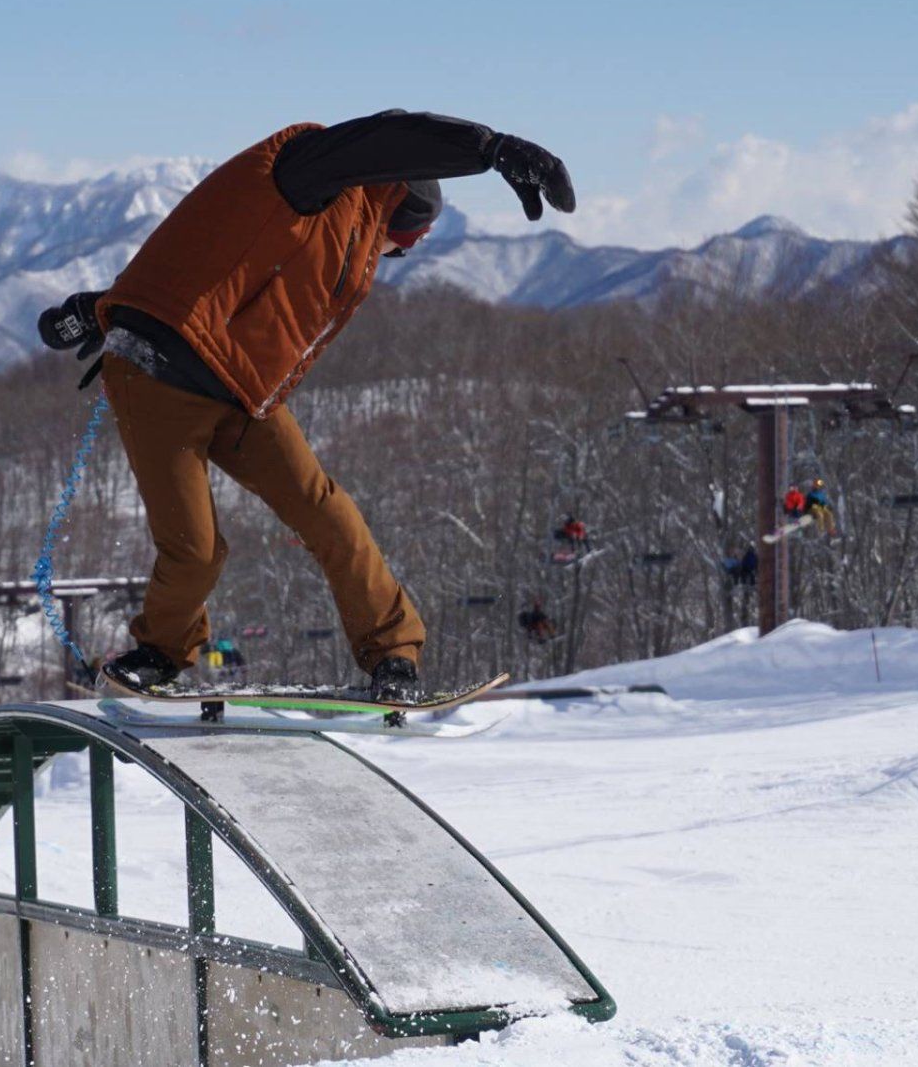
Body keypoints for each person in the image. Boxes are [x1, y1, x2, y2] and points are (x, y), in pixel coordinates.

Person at [38, 111, 575, 702]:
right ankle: (159, 655)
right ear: (400, 216)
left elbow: (223, 252)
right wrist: (491, 149)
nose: (392, 258)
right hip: (157, 378)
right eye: (401, 247)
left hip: (239, 387)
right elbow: (387, 134)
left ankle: (393, 655)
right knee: (196, 546)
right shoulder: (312, 178)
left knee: (329, 514)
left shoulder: (338, 221)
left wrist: (98, 307)